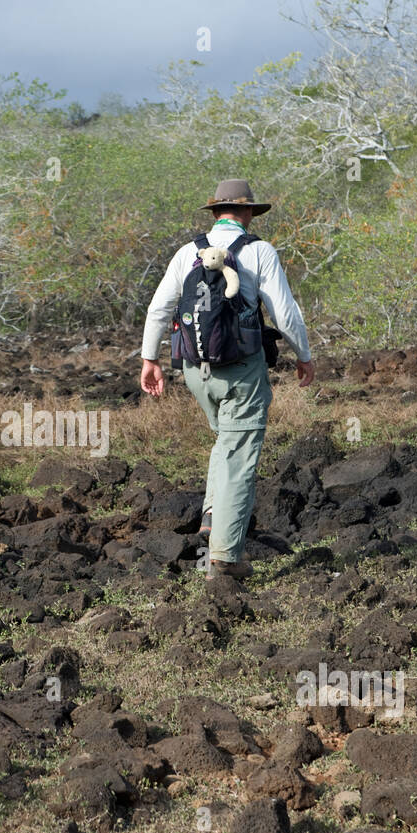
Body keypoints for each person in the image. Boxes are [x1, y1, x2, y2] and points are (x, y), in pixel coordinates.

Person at [139, 178, 315, 580]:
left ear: (215, 212)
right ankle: (225, 559)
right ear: (249, 213)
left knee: (226, 438)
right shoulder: (259, 251)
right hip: (241, 369)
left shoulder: (187, 252)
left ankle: (212, 514)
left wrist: (150, 359)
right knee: (239, 454)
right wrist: (303, 355)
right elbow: (284, 313)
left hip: (194, 369)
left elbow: (159, 308)